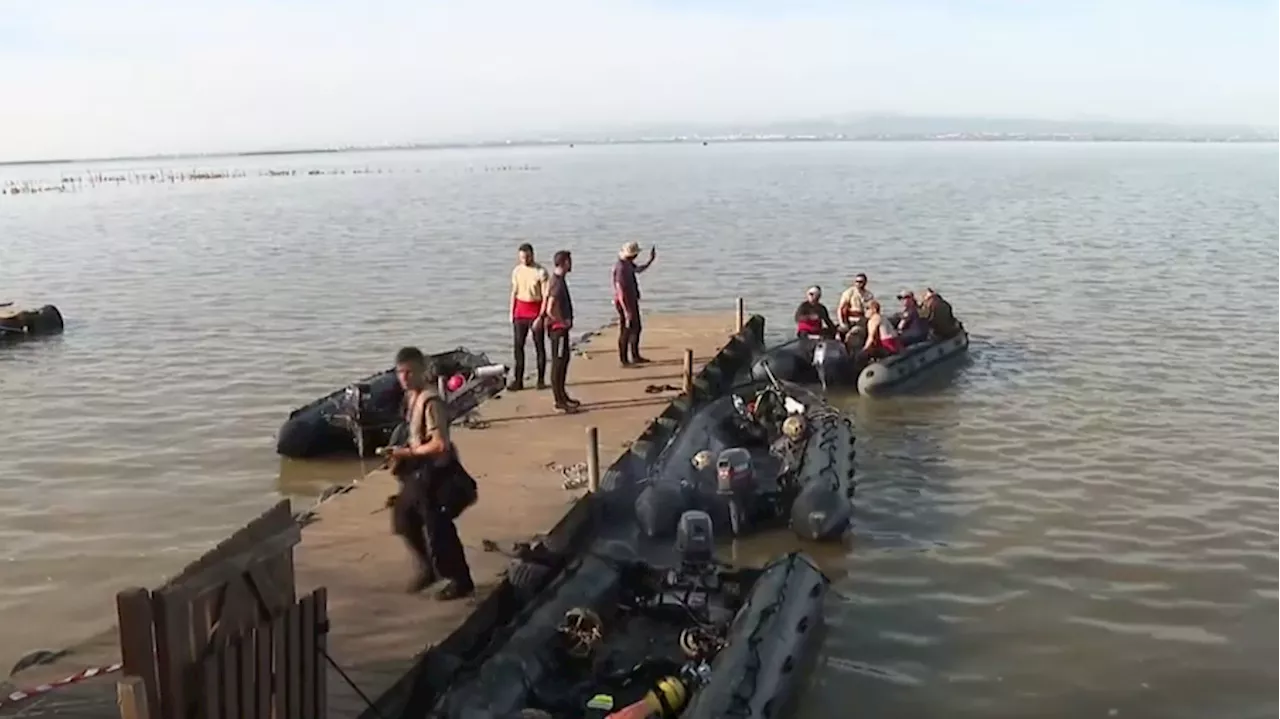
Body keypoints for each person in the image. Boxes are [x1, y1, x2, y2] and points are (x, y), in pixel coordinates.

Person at [387, 347, 476, 600]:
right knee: (404, 518)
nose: (404, 378)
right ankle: (428, 568)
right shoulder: (409, 399)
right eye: (400, 372)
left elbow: (440, 444)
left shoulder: (430, 401)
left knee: (439, 528)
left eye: (409, 372)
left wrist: (409, 453)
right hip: (418, 472)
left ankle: (461, 580)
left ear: (421, 371)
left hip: (438, 473)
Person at [509, 243, 550, 391]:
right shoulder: (517, 271)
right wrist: (511, 312)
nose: (524, 260)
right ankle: (518, 380)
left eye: (526, 257)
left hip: (535, 311)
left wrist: (542, 315)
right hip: (520, 312)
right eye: (521, 257)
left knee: (539, 346)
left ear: (532, 255)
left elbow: (546, 296)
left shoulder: (541, 272)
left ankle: (540, 380)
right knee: (518, 347)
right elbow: (514, 292)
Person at [545, 250, 581, 412]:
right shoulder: (557, 283)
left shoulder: (558, 280)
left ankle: (562, 395)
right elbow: (550, 307)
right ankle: (558, 401)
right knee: (558, 363)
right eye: (570, 261)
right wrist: (562, 321)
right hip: (558, 330)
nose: (571, 264)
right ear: (565, 262)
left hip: (561, 330)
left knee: (564, 360)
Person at [612, 241, 656, 366]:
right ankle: (624, 360)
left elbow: (638, 270)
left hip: (630, 301)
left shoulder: (627, 264)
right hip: (625, 303)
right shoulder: (621, 267)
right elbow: (620, 289)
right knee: (626, 330)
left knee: (636, 328)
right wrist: (627, 311)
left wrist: (650, 261)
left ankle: (635, 356)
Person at [858, 300, 903, 364]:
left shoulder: (874, 319)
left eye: (867, 308)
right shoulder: (882, 317)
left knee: (865, 353)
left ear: (874, 309)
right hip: (895, 342)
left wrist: (863, 350)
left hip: (887, 344)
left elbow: (871, 337)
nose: (865, 311)